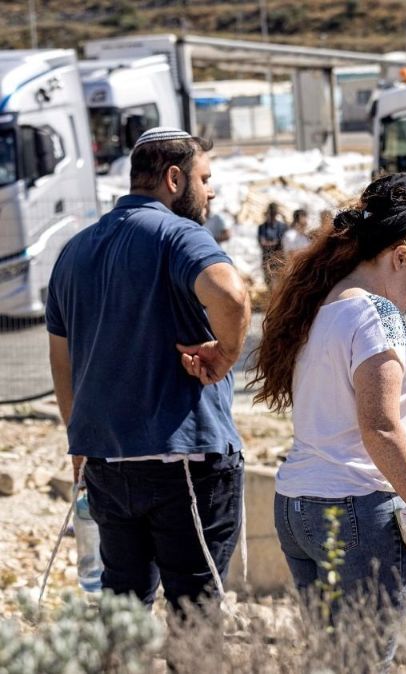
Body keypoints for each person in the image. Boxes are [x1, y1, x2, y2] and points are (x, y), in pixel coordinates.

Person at [45, 127, 251, 611]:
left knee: (123, 616)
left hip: (107, 465)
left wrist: (80, 447)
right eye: (206, 177)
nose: (212, 190)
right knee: (195, 619)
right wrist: (226, 353)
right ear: (174, 179)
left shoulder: (74, 251)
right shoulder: (178, 235)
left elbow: (62, 363)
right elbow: (232, 294)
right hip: (185, 462)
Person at [249, 173, 406, 641]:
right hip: (358, 508)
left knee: (329, 658)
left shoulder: (322, 306)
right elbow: (380, 426)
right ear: (401, 257)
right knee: (365, 660)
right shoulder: (378, 315)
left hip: (298, 506)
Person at [258, 202, 288, 289]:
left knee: (280, 285)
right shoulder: (262, 227)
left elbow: (284, 241)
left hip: (278, 259)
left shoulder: (282, 226)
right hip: (267, 259)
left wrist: (271, 244)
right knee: (270, 285)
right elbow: (262, 243)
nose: (272, 215)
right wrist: (274, 243)